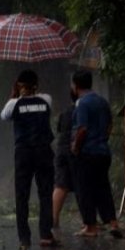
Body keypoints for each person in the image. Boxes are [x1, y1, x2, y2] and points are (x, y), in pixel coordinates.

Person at [0, 69, 58, 249]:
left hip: (23, 153)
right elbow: (46, 106)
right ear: (36, 85)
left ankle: (24, 238)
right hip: (43, 151)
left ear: (19, 86)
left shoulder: (13, 104)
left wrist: (14, 96)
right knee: (45, 193)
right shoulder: (46, 100)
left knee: (22, 195)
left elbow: (4, 116)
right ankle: (46, 235)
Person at [69, 69, 123, 238]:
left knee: (85, 189)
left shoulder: (82, 104)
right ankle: (113, 222)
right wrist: (103, 139)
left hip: (87, 152)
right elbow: (110, 125)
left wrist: (76, 147)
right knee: (103, 188)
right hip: (103, 152)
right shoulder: (102, 102)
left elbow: (82, 129)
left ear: (75, 86)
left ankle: (90, 226)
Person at [52, 98, 77, 229]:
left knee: (61, 185)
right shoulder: (83, 110)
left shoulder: (65, 112)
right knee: (82, 185)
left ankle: (54, 219)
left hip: (61, 148)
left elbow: (59, 130)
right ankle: (90, 222)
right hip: (76, 148)